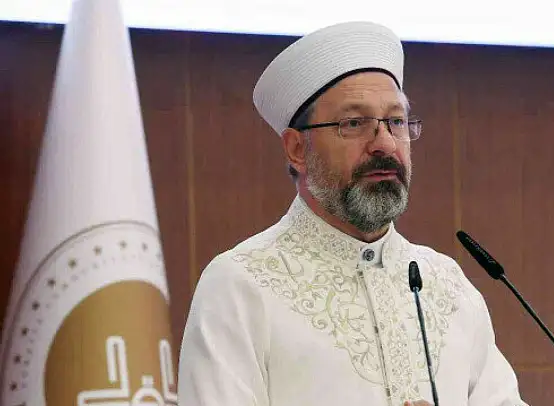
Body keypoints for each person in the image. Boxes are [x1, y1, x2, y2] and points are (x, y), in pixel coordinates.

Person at [177, 20, 527, 406]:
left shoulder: (447, 284)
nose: (385, 144)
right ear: (297, 149)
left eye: (396, 121)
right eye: (355, 123)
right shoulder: (239, 285)